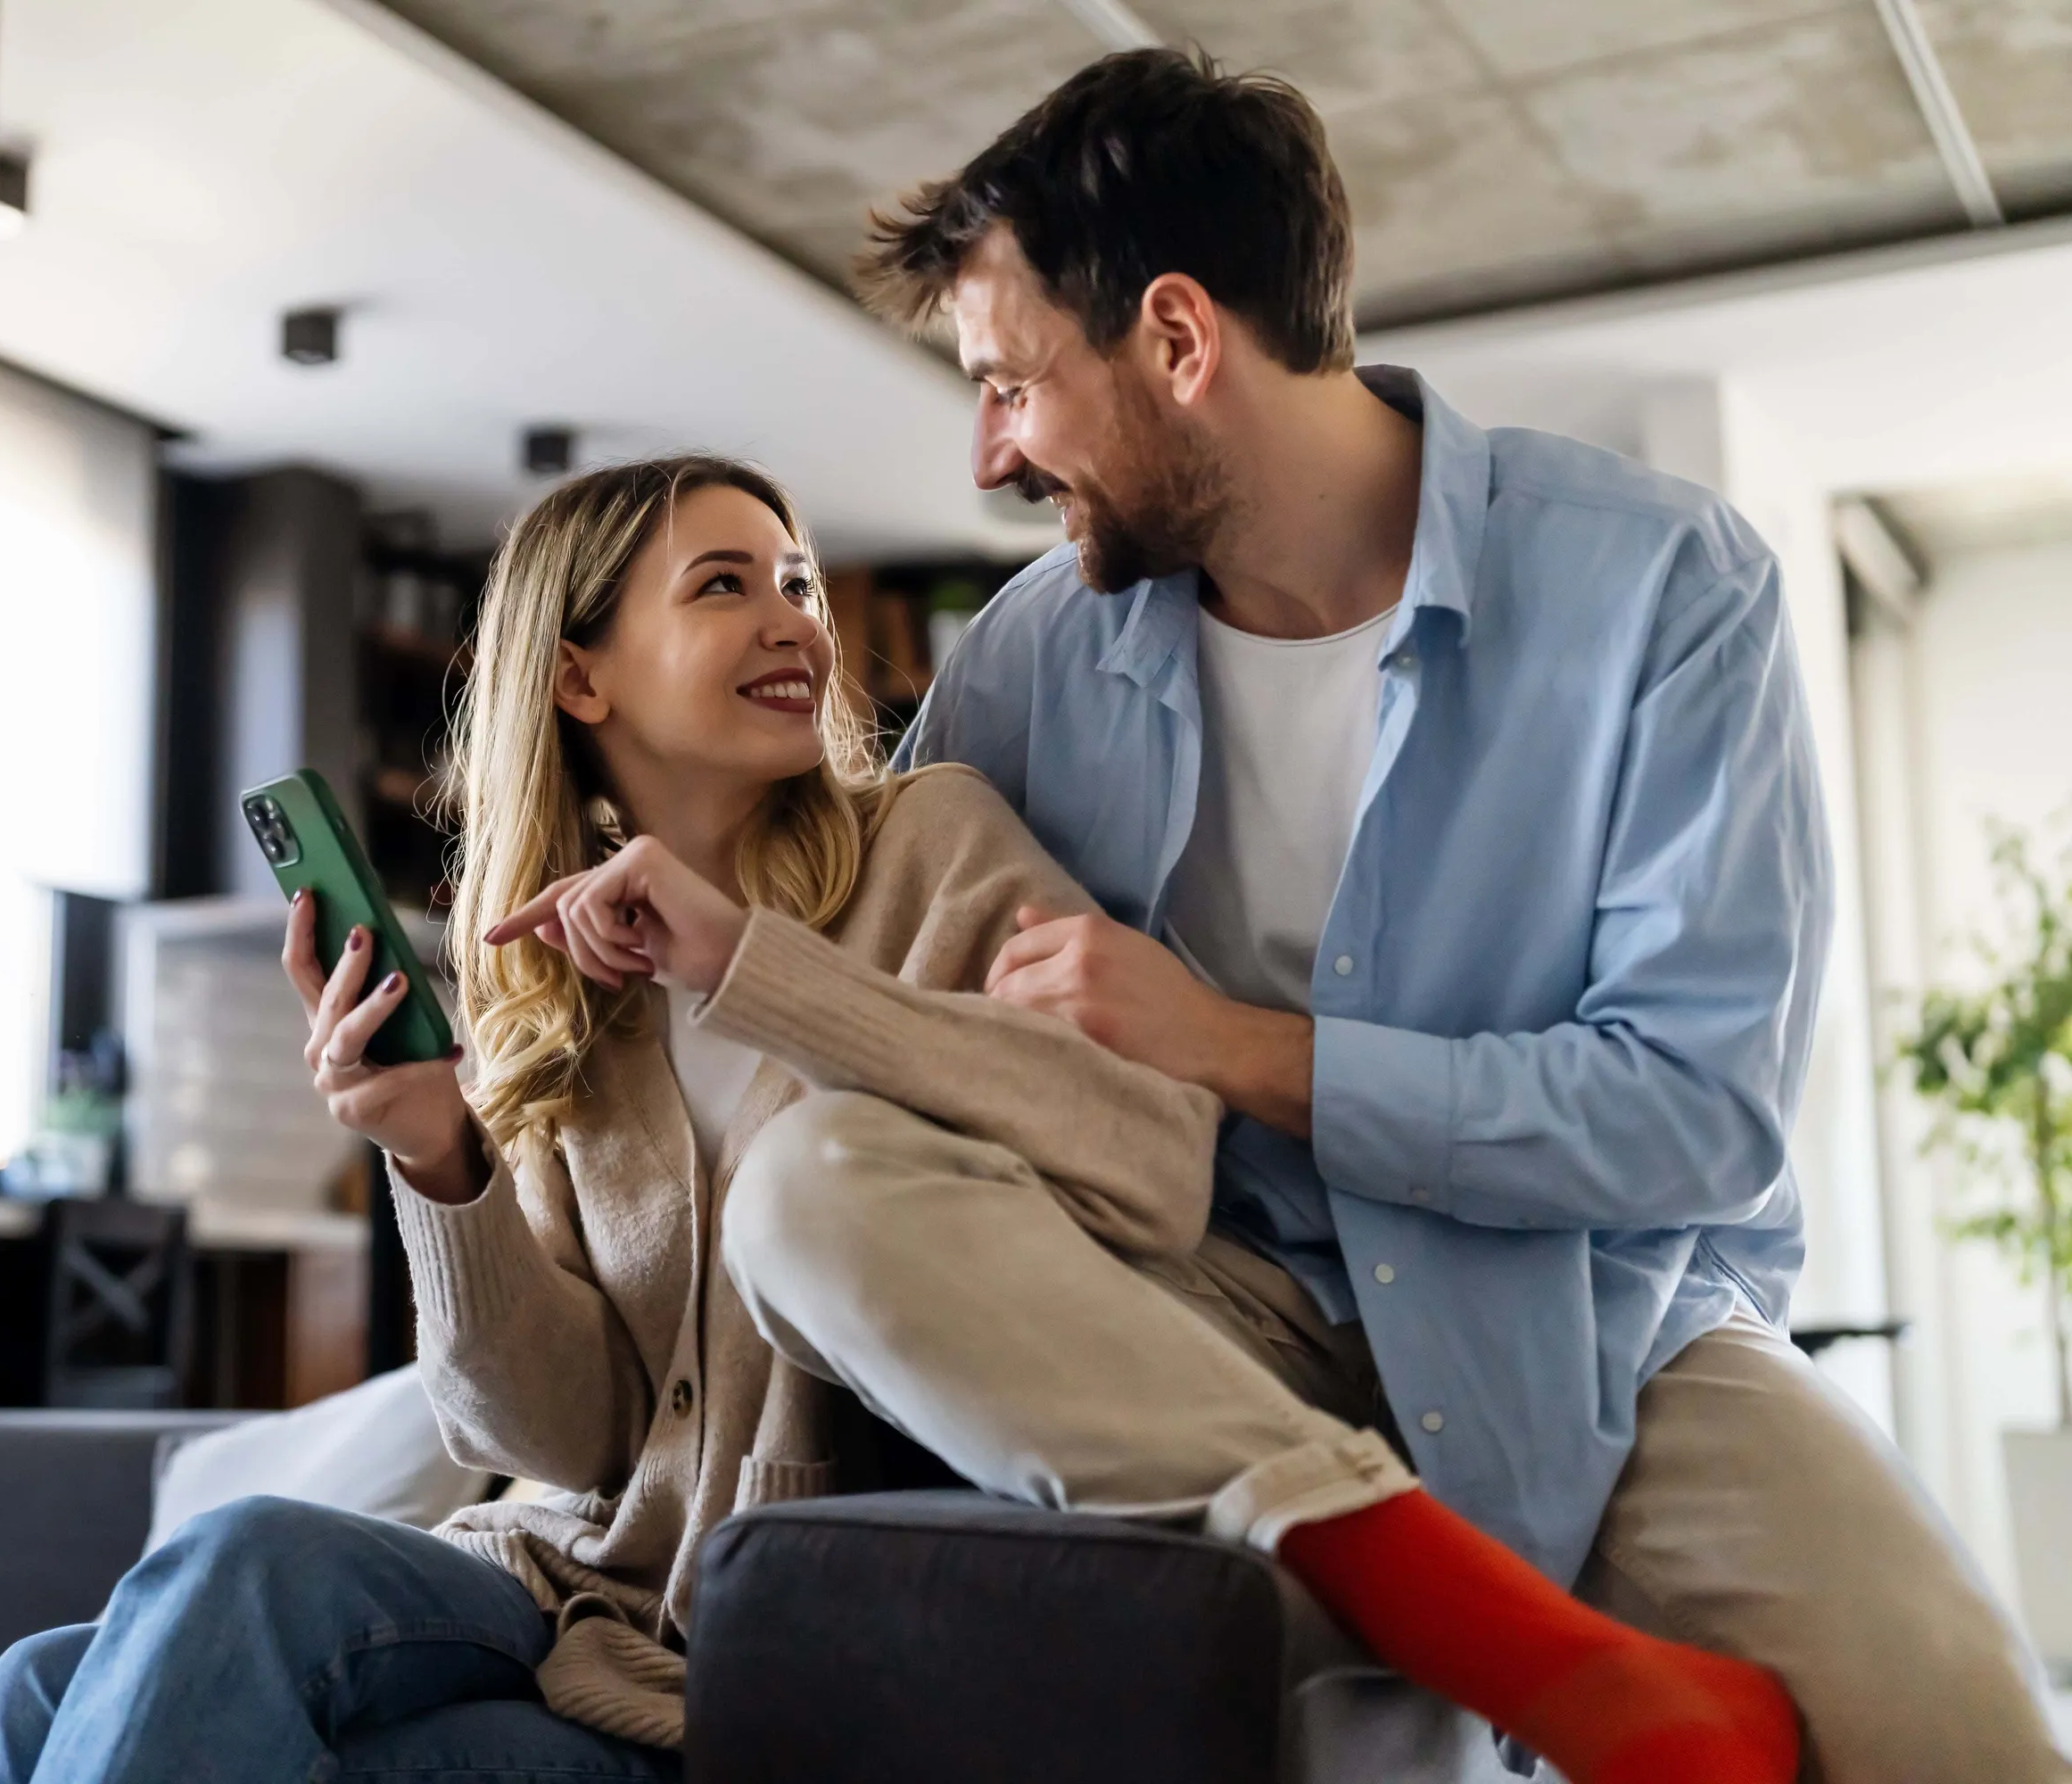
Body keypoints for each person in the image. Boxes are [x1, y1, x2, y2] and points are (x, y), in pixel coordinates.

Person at [703, 43, 2064, 1784]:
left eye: (1011, 385)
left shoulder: (1664, 587)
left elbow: (1695, 1122)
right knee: (815, 1188)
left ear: (1180, 342)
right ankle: (1461, 1618)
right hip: (1199, 1327)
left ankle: (1449, 1621)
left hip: (1601, 1329)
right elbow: (892, 1017)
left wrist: (1237, 1050)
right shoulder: (1032, 661)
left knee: (1972, 1740)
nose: (987, 455)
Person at [0, 454, 1240, 1782]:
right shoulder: (562, 982)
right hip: (558, 1581)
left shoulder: (932, 844)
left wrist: (752, 969)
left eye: (796, 581)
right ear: (579, 676)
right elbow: (561, 1441)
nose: (794, 617)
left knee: (238, 1583)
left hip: (742, 1652)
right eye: (725, 585)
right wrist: (437, 1157)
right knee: (40, 1677)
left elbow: (1150, 1156)